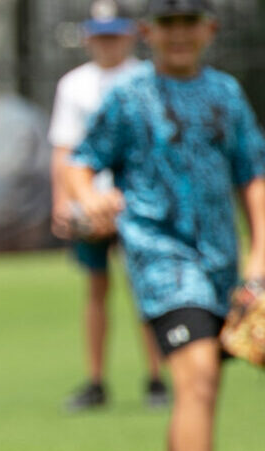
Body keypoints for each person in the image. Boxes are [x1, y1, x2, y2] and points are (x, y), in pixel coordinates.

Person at [64, 0, 265, 451]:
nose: (178, 35)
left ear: (209, 29)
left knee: (196, 390)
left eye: (190, 23)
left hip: (219, 263)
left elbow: (252, 174)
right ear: (147, 33)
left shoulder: (226, 94)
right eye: (167, 24)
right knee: (200, 377)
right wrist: (90, 200)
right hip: (159, 258)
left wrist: (259, 260)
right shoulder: (130, 97)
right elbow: (82, 161)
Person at [49, 0, 171, 413]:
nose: (107, 44)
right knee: (95, 288)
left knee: (146, 290)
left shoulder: (146, 79)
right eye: (100, 36)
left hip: (136, 202)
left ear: (131, 34)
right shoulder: (74, 85)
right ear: (87, 38)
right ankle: (96, 380)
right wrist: (63, 200)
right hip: (90, 203)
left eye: (114, 35)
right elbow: (64, 150)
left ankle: (157, 377)